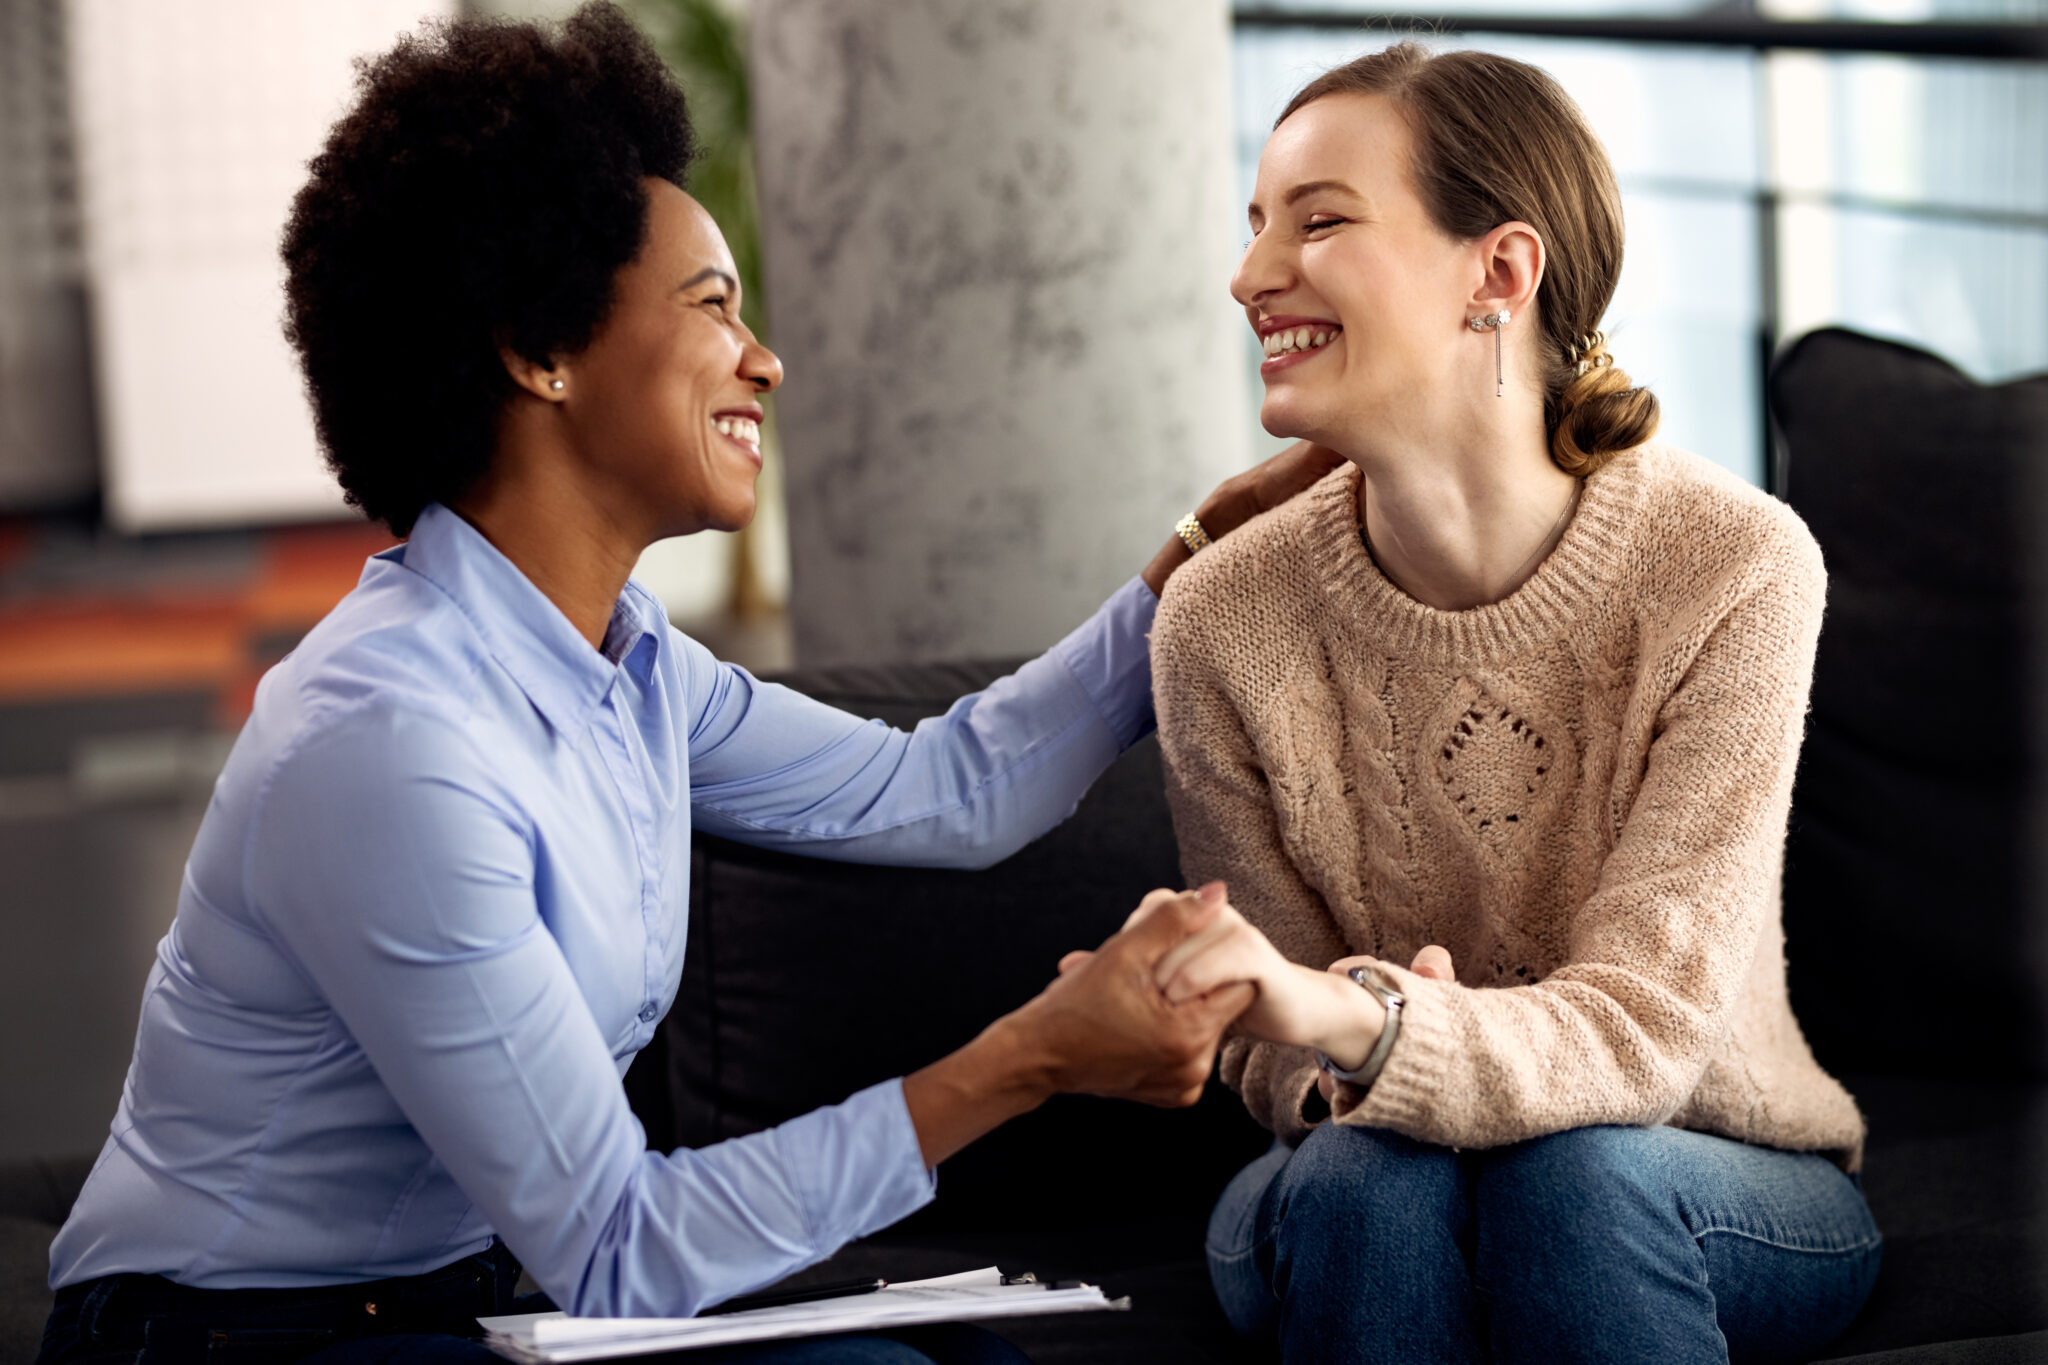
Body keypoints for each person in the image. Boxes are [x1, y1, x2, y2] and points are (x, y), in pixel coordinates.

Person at [35, 8, 1340, 1365]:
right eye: (713, 305)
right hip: (221, 1335)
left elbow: (952, 785)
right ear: (539, 347)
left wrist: (1196, 558)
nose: (764, 356)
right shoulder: (389, 747)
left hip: (463, 1291)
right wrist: (1030, 1058)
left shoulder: (635, 664)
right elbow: (617, 1244)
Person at [1134, 42, 1882, 1365]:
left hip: (1698, 1161)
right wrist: (1339, 1055)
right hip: (1356, 1171)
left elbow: (1648, 1029)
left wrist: (1370, 1023)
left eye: (1319, 222)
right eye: (1255, 229)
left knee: (1574, 1180)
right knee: (1375, 1186)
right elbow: (1268, 1049)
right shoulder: (1219, 617)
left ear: (1502, 272)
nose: (1251, 278)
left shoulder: (1736, 569)